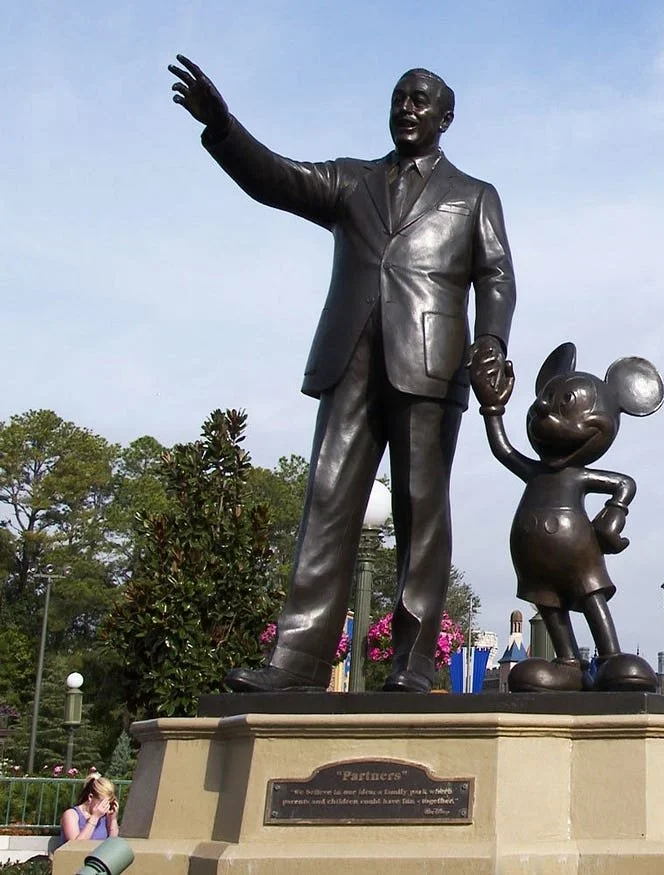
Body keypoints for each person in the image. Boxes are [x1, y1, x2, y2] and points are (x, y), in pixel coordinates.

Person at [169, 57, 516, 693]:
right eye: (398, 99)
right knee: (326, 502)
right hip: (349, 359)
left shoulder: (473, 196)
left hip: (431, 364)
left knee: (420, 509)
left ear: (446, 118)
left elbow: (496, 277)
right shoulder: (351, 181)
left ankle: (412, 661)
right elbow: (276, 178)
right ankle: (297, 661)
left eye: (420, 101)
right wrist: (223, 127)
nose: (407, 109)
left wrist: (491, 342)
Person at [58, 774, 119, 847]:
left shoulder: (104, 815)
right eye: (103, 803)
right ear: (90, 797)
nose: (105, 807)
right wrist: (94, 818)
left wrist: (113, 819)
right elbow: (75, 847)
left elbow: (112, 845)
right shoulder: (71, 815)